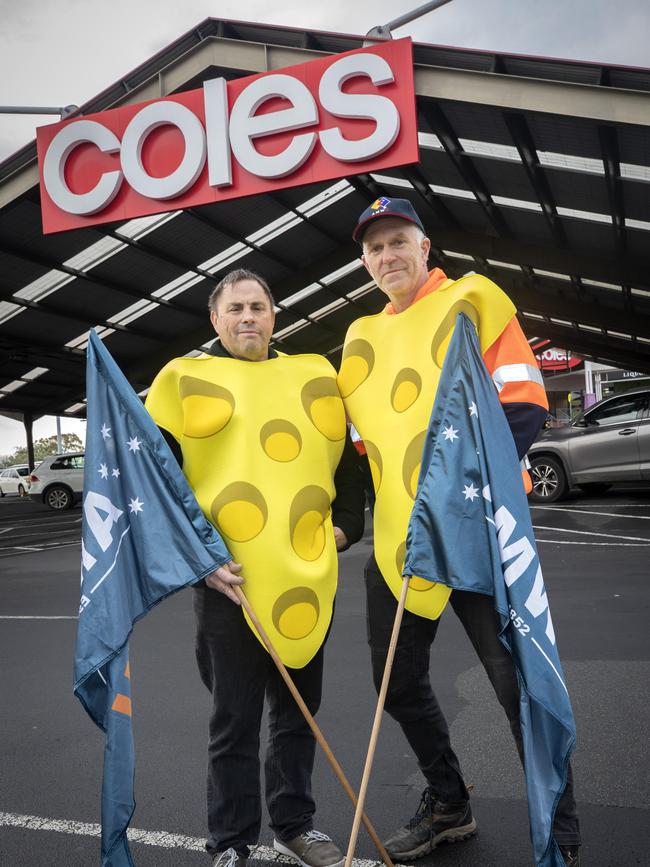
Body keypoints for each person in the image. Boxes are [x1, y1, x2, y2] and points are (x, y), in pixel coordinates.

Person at [337, 198, 581, 867]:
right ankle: (449, 802)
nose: (388, 256)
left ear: (424, 246)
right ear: (365, 262)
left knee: (518, 684)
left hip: (476, 530)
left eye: (398, 242)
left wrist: (454, 493)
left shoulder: (475, 301)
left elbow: (524, 406)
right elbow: (364, 449)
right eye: (374, 249)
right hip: (400, 542)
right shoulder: (360, 338)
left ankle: (558, 826)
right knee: (398, 683)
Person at [145, 268, 364, 867]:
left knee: (298, 714)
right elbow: (158, 485)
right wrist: (199, 562)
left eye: (259, 306)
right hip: (228, 583)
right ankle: (232, 840)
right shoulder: (184, 379)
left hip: (305, 578)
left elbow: (348, 467)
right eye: (235, 308)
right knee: (234, 720)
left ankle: (295, 825)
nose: (248, 317)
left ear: (275, 315)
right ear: (214, 320)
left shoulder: (314, 376)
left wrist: (344, 529)